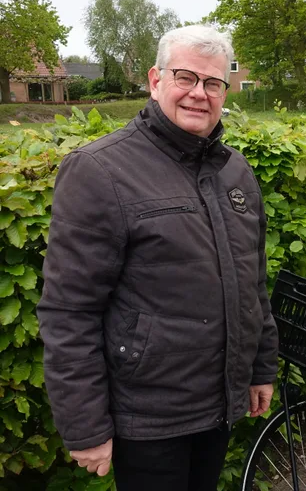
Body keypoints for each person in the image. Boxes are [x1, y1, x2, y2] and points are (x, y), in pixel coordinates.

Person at [36, 25, 280, 490]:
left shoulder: (235, 170)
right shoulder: (100, 170)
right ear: (155, 79)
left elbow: (252, 282)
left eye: (212, 83)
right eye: (185, 77)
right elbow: (69, 309)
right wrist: (85, 424)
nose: (198, 94)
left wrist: (260, 367)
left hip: (219, 405)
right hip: (148, 418)